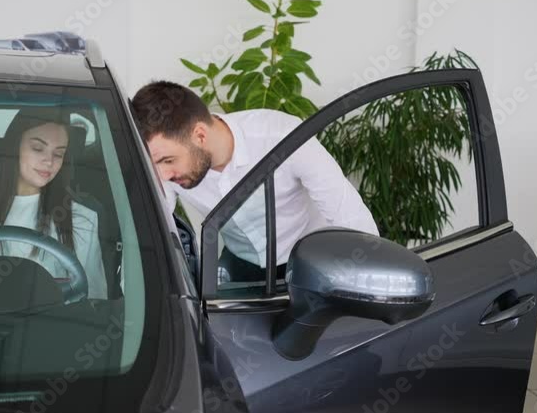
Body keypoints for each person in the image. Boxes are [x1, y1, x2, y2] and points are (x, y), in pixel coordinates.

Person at [131, 80, 378, 282]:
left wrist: (373, 282)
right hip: (239, 268)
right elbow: (148, 231)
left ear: (200, 135)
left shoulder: (283, 137)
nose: (163, 175)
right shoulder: (167, 165)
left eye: (167, 160)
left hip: (311, 266)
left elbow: (352, 219)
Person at [0, 108, 109, 300]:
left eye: (58, 154)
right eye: (38, 148)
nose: (49, 161)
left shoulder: (82, 219)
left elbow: (95, 300)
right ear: (14, 147)